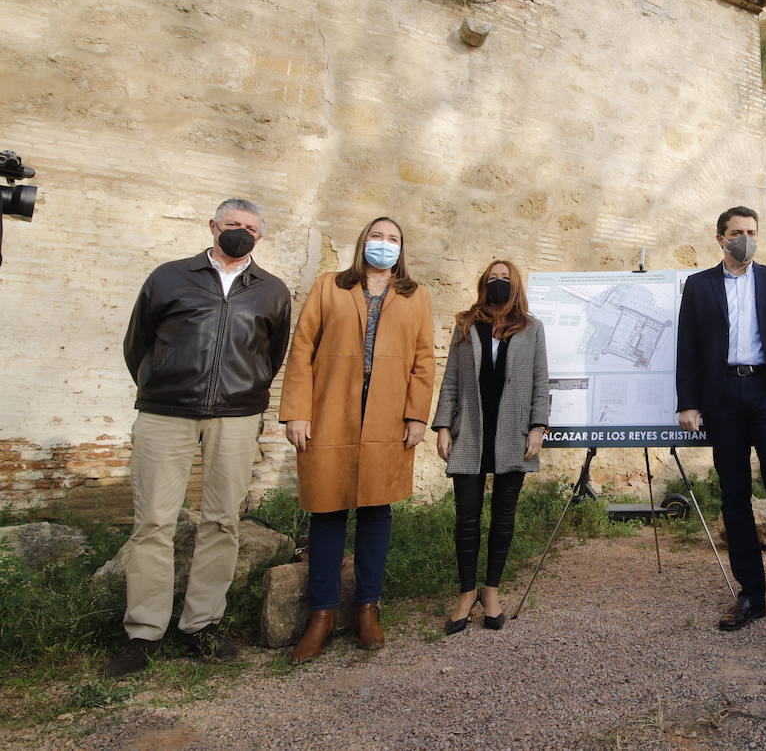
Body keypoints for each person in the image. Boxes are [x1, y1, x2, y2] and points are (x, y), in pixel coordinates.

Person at [107, 198, 292, 678]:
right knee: (153, 522)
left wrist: (242, 392)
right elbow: (138, 343)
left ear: (260, 236)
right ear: (213, 226)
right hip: (165, 413)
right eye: (232, 224)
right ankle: (143, 632)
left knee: (223, 521)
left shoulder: (272, 290)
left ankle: (201, 625)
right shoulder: (169, 276)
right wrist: (162, 381)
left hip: (235, 417)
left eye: (250, 227)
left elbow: (272, 354)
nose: (240, 233)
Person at [279, 217, 435, 664]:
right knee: (327, 510)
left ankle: (368, 607)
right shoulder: (330, 286)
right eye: (376, 236)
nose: (383, 244)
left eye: (392, 239)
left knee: (375, 509)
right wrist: (297, 411)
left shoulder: (415, 295)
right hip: (331, 412)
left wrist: (416, 416)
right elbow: (303, 346)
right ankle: (322, 615)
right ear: (363, 241)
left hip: (386, 416)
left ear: (401, 248)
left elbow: (424, 360)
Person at [676, 206, 766, 638]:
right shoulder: (699, 285)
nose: (746, 238)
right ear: (720, 239)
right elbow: (687, 346)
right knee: (735, 496)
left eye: (752, 232)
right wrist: (689, 402)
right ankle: (751, 596)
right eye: (737, 232)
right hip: (723, 396)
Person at [432, 260, 549, 634]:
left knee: (503, 515)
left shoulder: (532, 328)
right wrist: (443, 425)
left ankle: (492, 590)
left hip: (513, 430)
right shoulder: (466, 323)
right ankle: (466, 592)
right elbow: (451, 377)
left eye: (505, 279)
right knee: (466, 515)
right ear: (484, 283)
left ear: (515, 286)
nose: (498, 283)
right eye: (492, 278)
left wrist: (538, 427)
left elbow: (539, 379)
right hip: (470, 429)